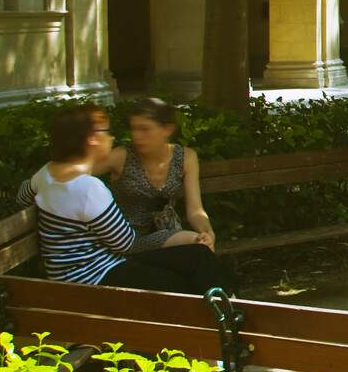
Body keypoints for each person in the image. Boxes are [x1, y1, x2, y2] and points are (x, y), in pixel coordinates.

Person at [18, 104, 233, 293]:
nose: (111, 137)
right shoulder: (89, 189)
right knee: (186, 279)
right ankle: (228, 323)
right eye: (106, 132)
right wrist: (180, 237)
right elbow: (127, 245)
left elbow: (23, 197)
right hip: (96, 278)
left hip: (79, 273)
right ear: (92, 139)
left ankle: (230, 317)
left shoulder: (46, 174)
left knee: (197, 258)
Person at [98, 98, 217, 246]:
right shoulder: (121, 156)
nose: (137, 136)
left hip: (168, 233)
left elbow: (195, 210)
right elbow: (76, 173)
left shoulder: (186, 157)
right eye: (134, 128)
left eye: (144, 129)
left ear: (167, 129)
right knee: (193, 243)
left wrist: (207, 232)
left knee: (201, 242)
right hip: (125, 238)